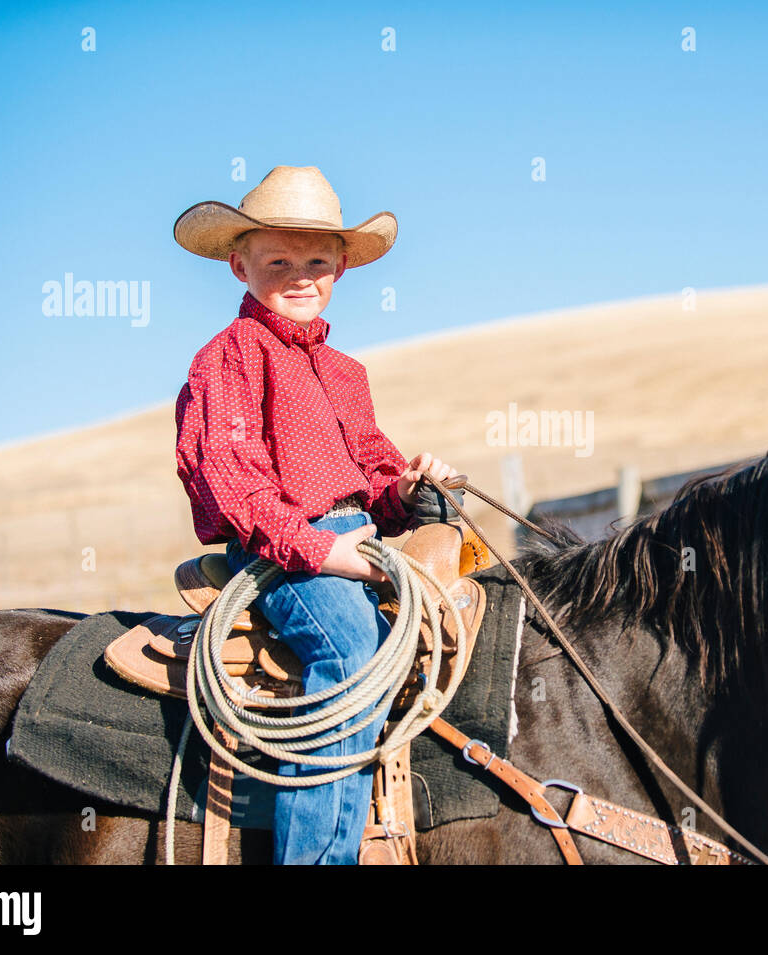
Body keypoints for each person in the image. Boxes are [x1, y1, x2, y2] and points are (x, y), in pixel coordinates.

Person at [172, 165, 458, 864]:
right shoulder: (229, 356)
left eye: (316, 261)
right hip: (281, 550)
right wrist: (325, 552)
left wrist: (410, 487)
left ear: (340, 269)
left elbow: (374, 475)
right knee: (353, 654)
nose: (299, 275)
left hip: (357, 541)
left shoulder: (345, 371)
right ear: (240, 265)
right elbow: (233, 483)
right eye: (278, 262)